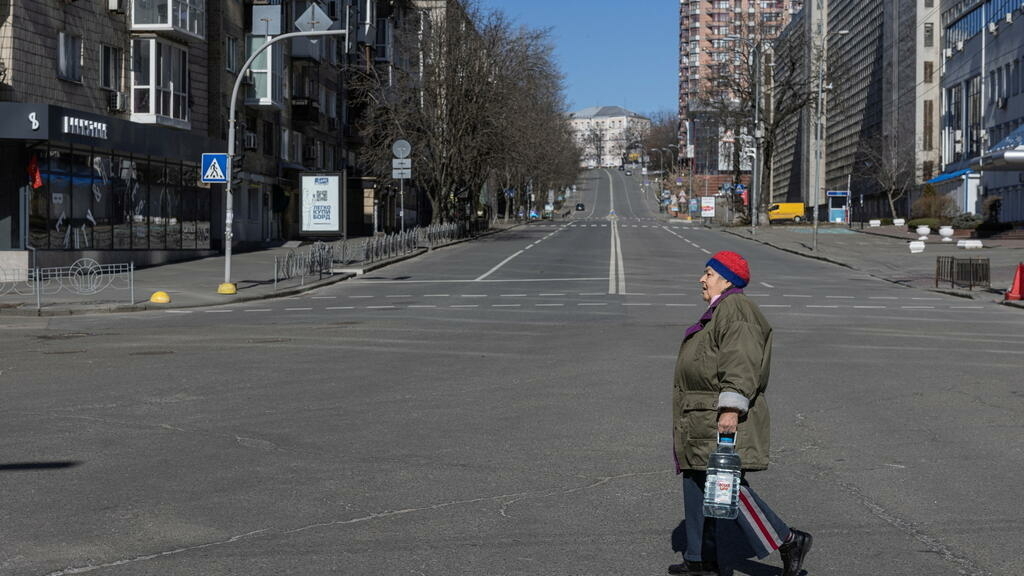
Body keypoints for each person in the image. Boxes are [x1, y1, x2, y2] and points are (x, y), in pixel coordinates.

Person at [668, 251, 811, 576]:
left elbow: (741, 361)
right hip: (698, 416)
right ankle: (700, 559)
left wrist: (730, 409)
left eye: (709, 273)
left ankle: (787, 540)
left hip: (716, 416)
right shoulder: (719, 311)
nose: (701, 279)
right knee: (697, 483)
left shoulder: (735, 308)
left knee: (725, 485)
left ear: (727, 279)